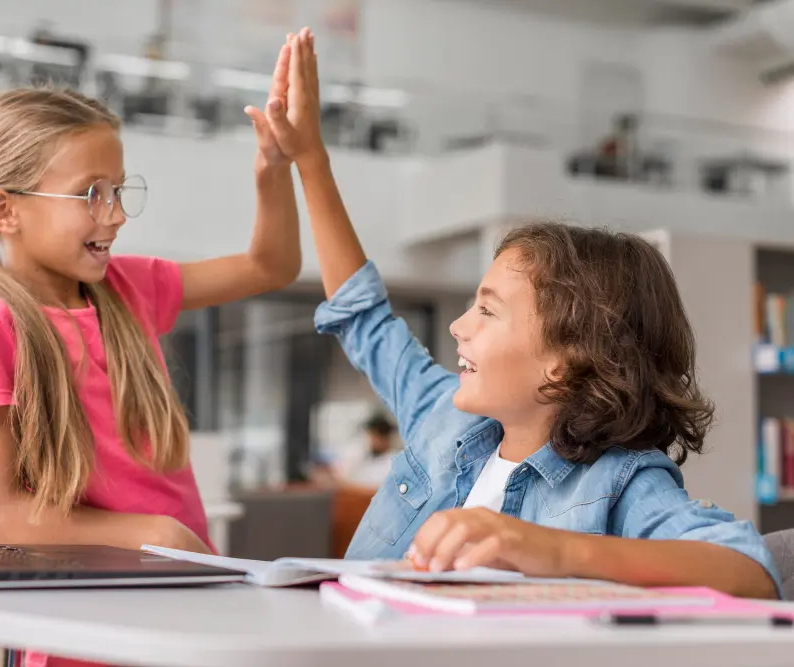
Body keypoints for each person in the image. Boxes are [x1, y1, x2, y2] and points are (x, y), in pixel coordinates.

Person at [263, 28, 780, 598]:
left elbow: (748, 570)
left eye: (487, 311)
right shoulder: (445, 421)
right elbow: (363, 317)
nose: (459, 326)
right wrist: (310, 159)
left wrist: (551, 550)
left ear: (563, 364)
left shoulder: (620, 480)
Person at [0, 38, 300, 667]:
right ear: (4, 211)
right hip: (90, 630)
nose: (115, 215)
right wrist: (151, 535)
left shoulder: (127, 289)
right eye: (90, 194)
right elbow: (5, 521)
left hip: (180, 611)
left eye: (118, 190)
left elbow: (272, 265)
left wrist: (273, 168)